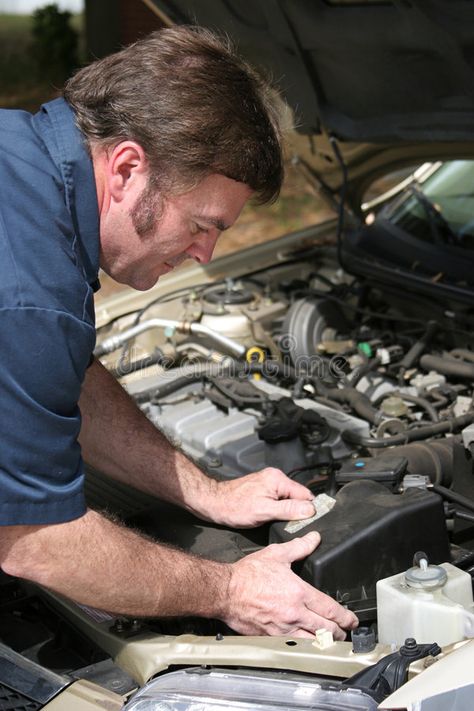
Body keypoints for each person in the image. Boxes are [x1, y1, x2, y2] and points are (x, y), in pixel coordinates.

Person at [0, 26, 357, 639]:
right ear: (128, 168)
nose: (207, 256)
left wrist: (208, 494)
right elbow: (36, 542)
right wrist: (228, 589)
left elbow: (66, 376)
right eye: (200, 224)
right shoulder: (29, 291)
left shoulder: (20, 155)